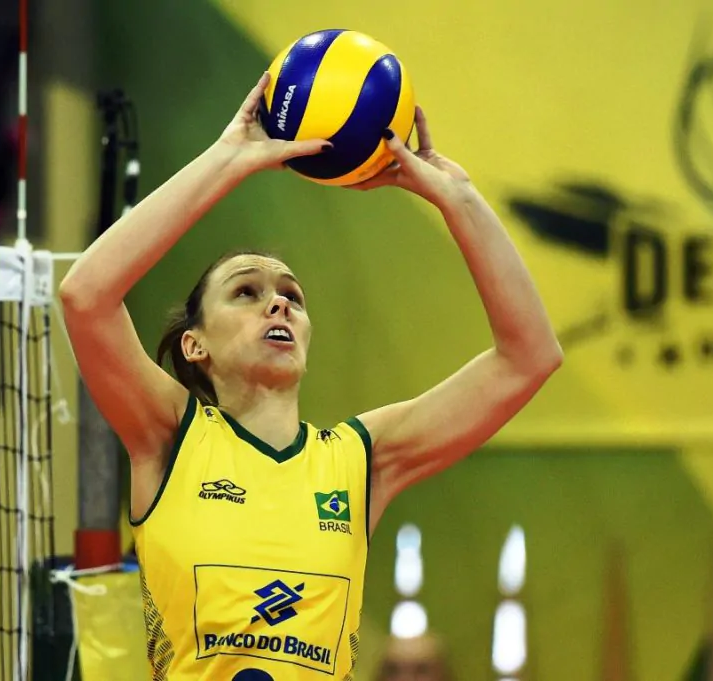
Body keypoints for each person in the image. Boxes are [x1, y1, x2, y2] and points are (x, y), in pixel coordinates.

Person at [60, 72, 562, 681]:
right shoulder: (171, 435)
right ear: (195, 345)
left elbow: (530, 357)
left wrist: (459, 200)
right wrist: (227, 160)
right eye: (246, 292)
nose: (278, 304)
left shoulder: (359, 460)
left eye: (292, 297)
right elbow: (85, 296)